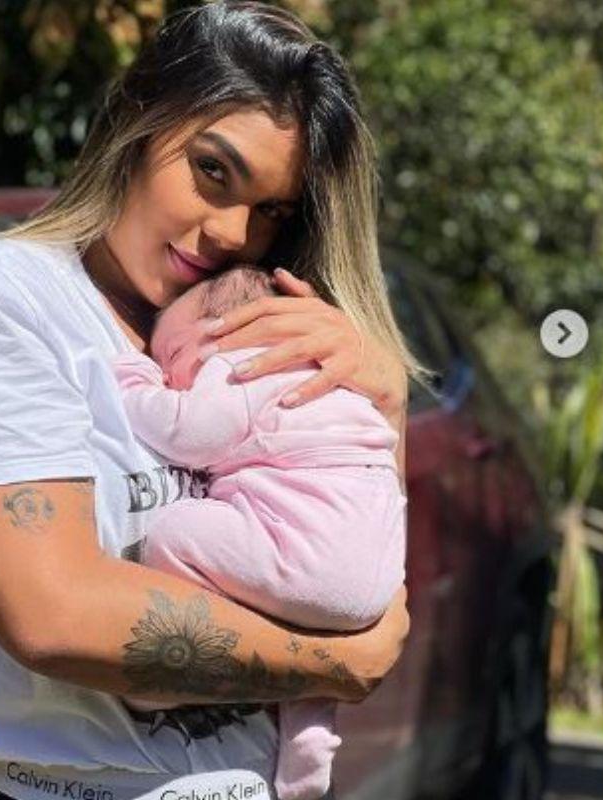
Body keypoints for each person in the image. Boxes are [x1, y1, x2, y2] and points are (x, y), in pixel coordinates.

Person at [0, 3, 429, 798]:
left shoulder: (255, 326)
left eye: (272, 210)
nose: (234, 233)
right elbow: (53, 614)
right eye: (213, 171)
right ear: (137, 120)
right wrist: (331, 663)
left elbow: (363, 584)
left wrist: (384, 398)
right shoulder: (4, 293)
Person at [111, 266, 408, 800]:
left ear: (221, 337)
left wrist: (135, 384)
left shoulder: (240, 369)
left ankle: (164, 689)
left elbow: (188, 434)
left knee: (174, 531)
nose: (167, 374)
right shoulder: (336, 382)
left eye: (170, 355)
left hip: (307, 556)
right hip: (374, 584)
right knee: (308, 639)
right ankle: (308, 758)